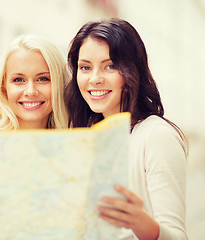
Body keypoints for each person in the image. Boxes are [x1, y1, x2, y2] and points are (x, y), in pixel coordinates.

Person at [65, 18, 188, 239]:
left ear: (132, 70)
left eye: (110, 66)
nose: (94, 79)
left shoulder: (157, 136)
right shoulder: (89, 137)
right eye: (85, 67)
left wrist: (140, 223)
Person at [0, 34, 68, 130]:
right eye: (18, 80)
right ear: (3, 88)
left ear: (60, 84)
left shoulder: (73, 142)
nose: (30, 91)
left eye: (43, 79)